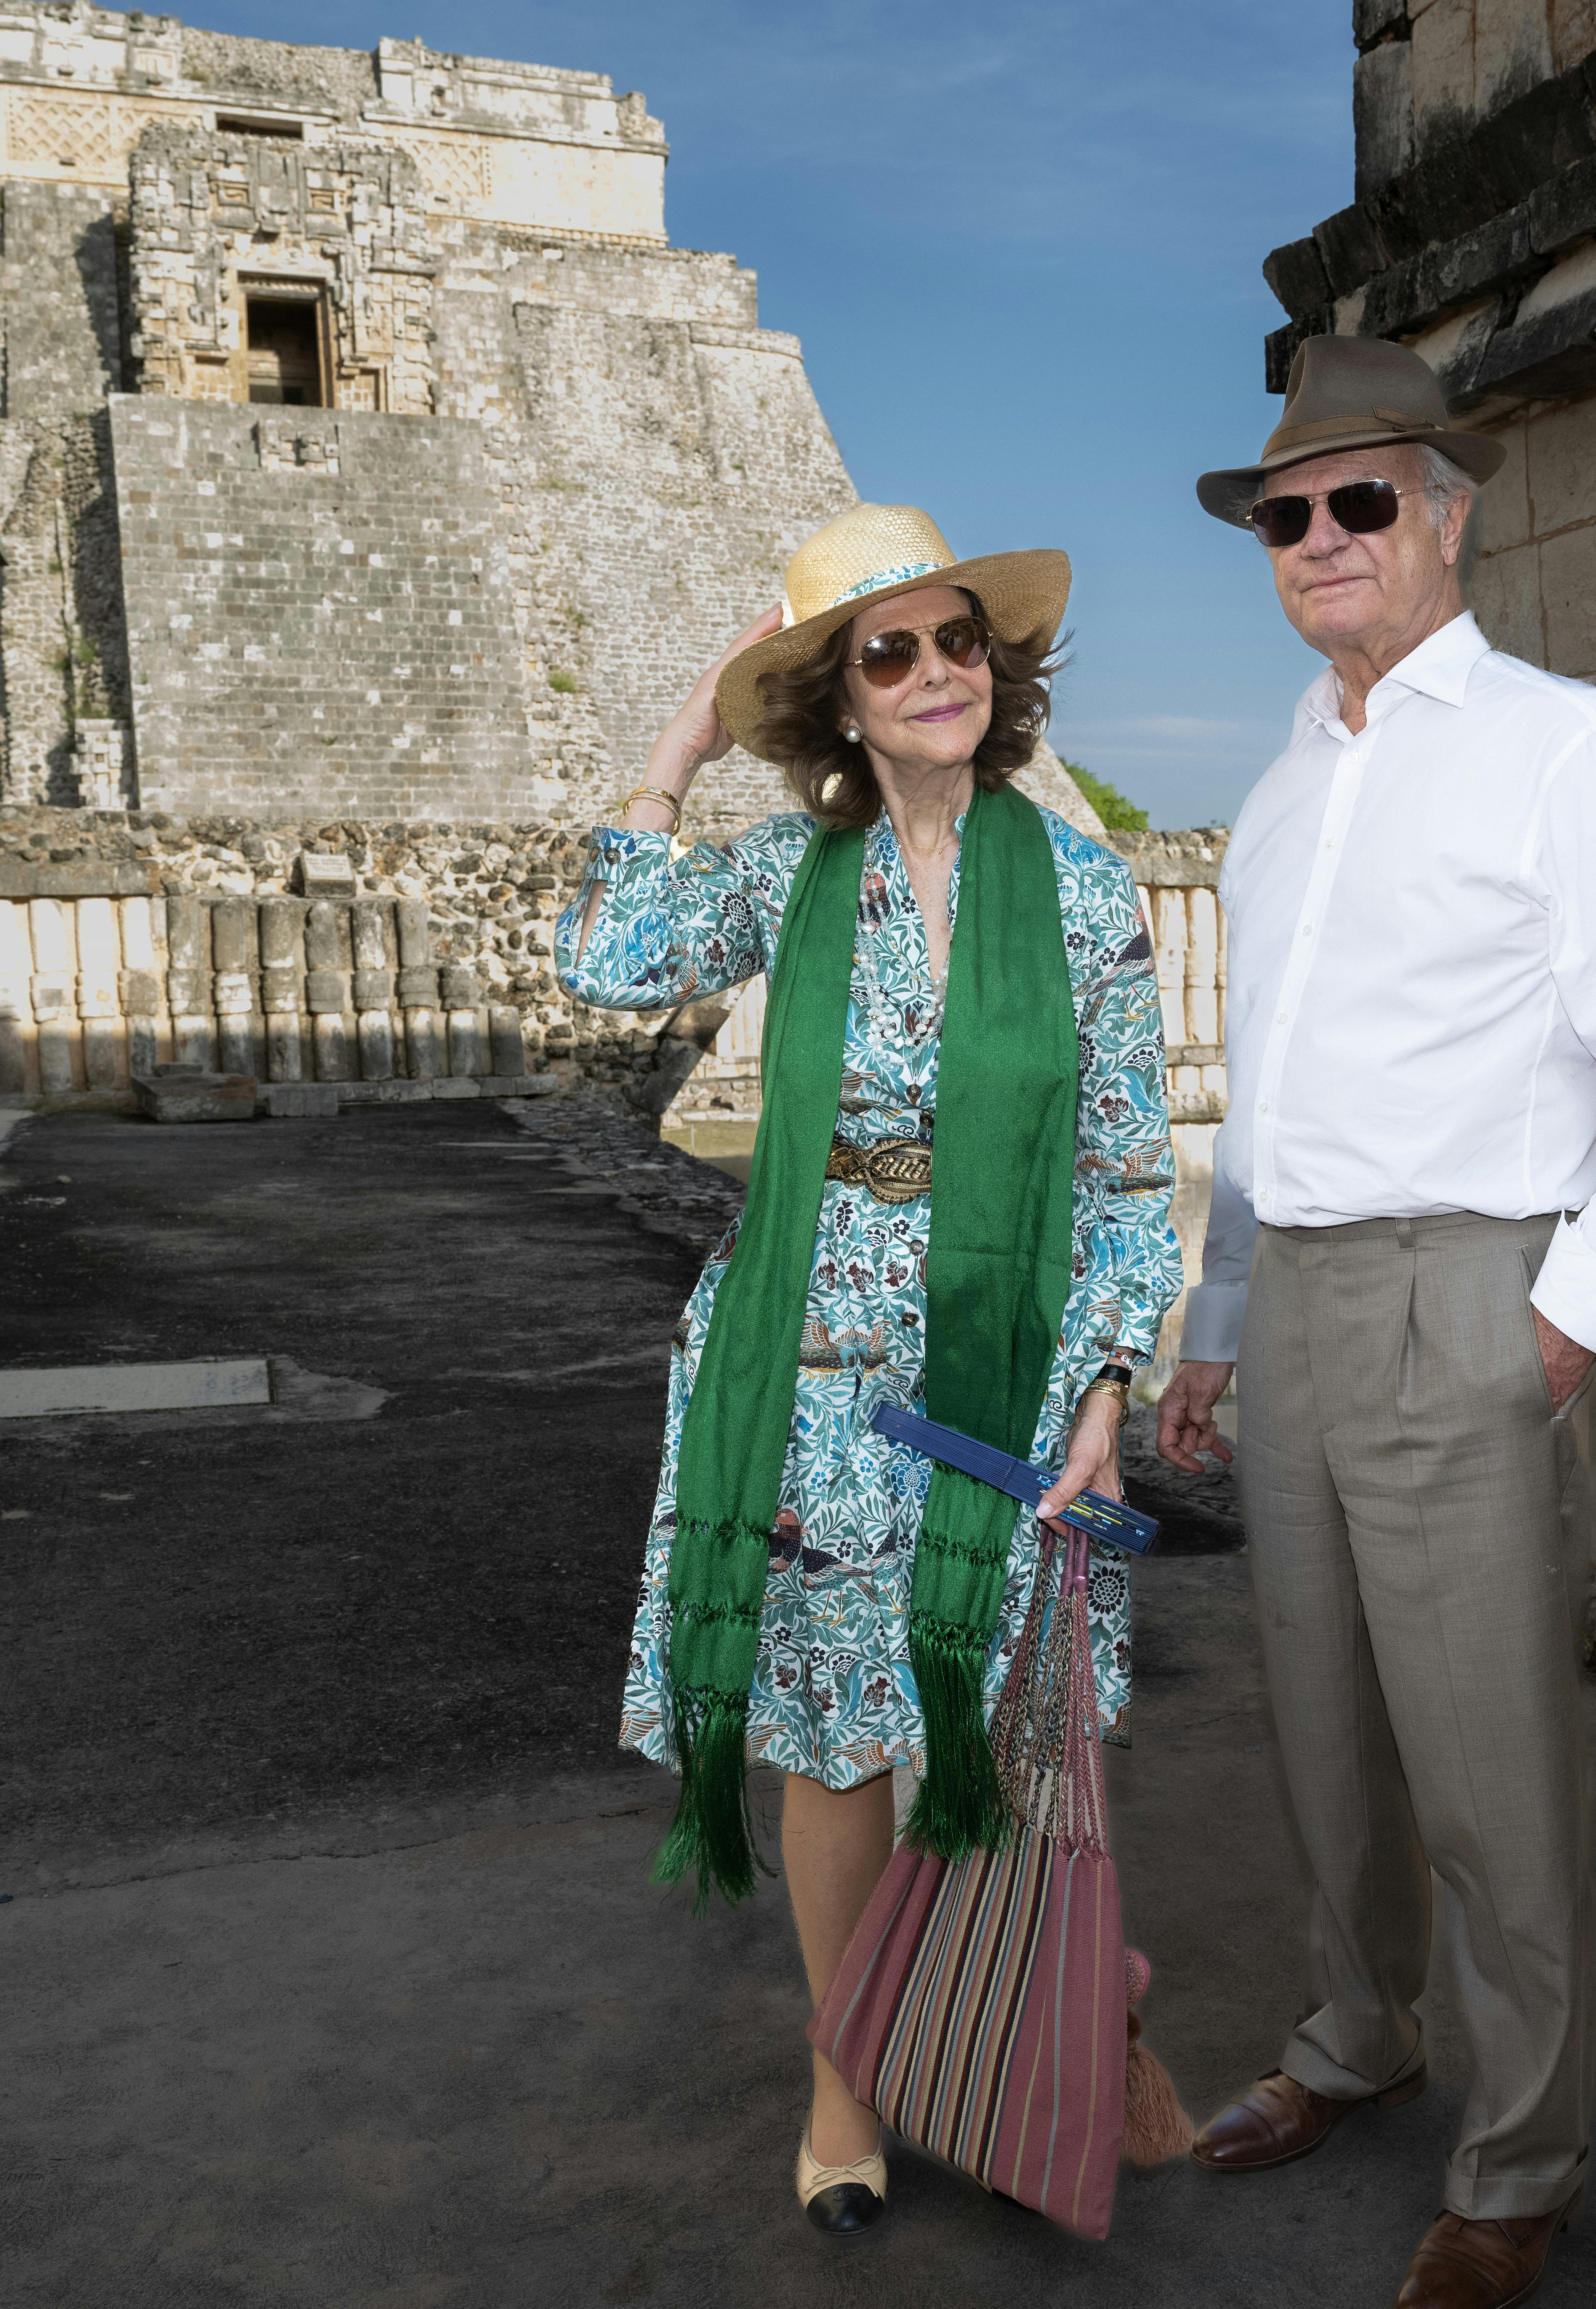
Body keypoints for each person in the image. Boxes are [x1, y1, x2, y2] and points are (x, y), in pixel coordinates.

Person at [1158, 337, 1596, 2309]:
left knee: (1487, 1771)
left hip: (1466, 1286)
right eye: (1282, 513)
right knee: (1320, 1727)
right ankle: (1352, 2037)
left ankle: (1520, 2162)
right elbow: (1267, 1086)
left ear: (1444, 514)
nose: (1316, 538)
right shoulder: (1272, 791)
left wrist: (1563, 1322)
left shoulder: (1560, 747)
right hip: (1307, 1296)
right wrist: (1222, 1316)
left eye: (1357, 501)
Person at [555, 502, 1182, 2241]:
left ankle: (996, 2048)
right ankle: (846, 2079)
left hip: (1012, 1363)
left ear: (1002, 668)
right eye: (885, 651)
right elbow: (604, 961)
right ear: (837, 694)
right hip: (812, 1373)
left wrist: (1112, 1393)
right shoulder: (787, 877)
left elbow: (1130, 1163)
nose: (932, 674)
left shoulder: (1076, 886)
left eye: (957, 641)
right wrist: (687, 734)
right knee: (833, 1755)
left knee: (988, 1731)